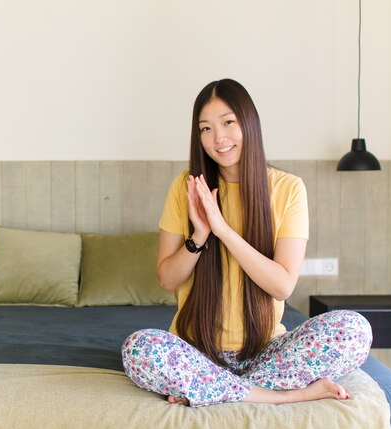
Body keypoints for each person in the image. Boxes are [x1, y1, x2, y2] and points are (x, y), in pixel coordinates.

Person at [121, 78, 372, 406]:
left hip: (265, 352)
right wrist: (200, 235)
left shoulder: (287, 188)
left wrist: (223, 230)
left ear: (248, 124)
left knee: (354, 330)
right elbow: (168, 279)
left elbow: (282, 286)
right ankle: (278, 397)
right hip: (196, 351)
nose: (218, 138)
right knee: (139, 349)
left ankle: (208, 390)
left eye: (227, 123)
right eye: (206, 129)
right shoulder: (185, 187)